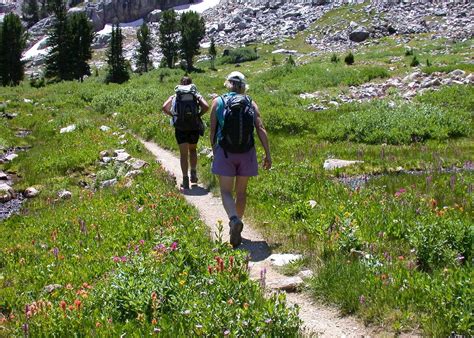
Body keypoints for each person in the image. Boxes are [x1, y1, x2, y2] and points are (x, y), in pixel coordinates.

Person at [210, 71, 272, 248]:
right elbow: (260, 128)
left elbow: (213, 132)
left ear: (228, 83)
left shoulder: (218, 102)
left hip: (226, 152)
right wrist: (268, 153)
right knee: (241, 192)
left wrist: (216, 152)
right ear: (243, 86)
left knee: (226, 191)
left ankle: (233, 220)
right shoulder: (251, 103)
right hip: (247, 152)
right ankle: (237, 228)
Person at [162, 76, 209, 189]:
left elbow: (164, 107)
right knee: (192, 150)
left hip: (181, 127)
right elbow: (206, 106)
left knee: (183, 154)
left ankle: (185, 180)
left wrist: (174, 115)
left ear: (181, 84)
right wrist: (198, 115)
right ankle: (193, 174)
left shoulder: (175, 95)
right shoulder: (195, 94)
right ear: (191, 84)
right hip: (193, 126)